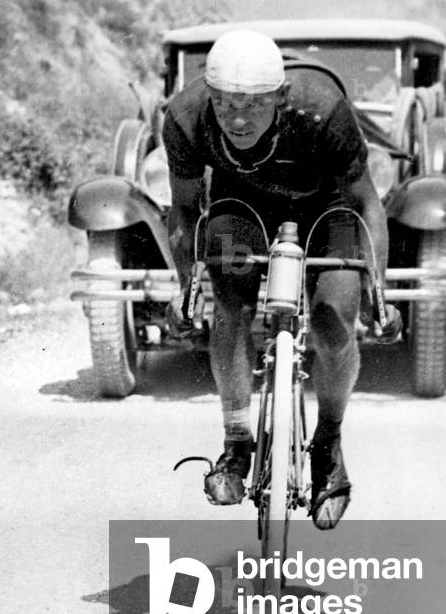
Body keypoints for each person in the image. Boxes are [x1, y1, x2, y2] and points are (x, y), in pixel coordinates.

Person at [163, 28, 391, 530]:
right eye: (225, 105)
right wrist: (187, 285)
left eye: (253, 105)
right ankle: (236, 444)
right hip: (239, 205)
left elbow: (367, 202)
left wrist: (379, 288)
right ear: (210, 97)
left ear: (281, 98)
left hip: (326, 207)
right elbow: (183, 213)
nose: (238, 119)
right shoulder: (184, 117)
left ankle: (328, 445)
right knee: (230, 304)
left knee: (335, 320)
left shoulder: (323, 109)